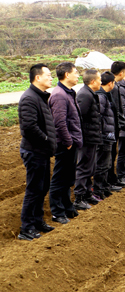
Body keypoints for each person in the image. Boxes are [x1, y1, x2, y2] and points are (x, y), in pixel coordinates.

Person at [17, 64, 57, 240]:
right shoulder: (29, 98)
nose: (51, 78)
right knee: (34, 189)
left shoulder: (40, 97)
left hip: (41, 151)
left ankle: (38, 220)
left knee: (43, 187)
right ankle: (26, 228)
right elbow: (29, 127)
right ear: (37, 78)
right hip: (34, 151)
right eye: (48, 75)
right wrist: (47, 140)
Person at [49, 62, 83, 220]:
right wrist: (69, 142)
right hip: (65, 144)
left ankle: (68, 207)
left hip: (72, 142)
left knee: (69, 177)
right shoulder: (59, 95)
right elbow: (59, 123)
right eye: (75, 72)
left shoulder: (68, 92)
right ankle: (57, 211)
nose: (78, 75)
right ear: (67, 75)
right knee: (60, 178)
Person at [74, 70, 103, 208]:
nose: (101, 82)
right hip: (86, 138)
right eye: (99, 79)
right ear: (93, 82)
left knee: (90, 167)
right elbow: (79, 118)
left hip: (91, 137)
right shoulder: (85, 95)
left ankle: (87, 193)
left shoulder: (90, 93)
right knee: (84, 167)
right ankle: (79, 198)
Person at [95, 72, 122, 197]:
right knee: (102, 165)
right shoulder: (101, 97)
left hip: (109, 135)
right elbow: (99, 119)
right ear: (111, 83)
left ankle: (105, 186)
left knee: (107, 163)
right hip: (104, 136)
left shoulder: (106, 95)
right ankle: (99, 189)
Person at [108, 61, 125, 186]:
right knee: (110, 155)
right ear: (122, 73)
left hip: (113, 126)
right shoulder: (113, 87)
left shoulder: (116, 85)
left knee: (112, 154)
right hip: (111, 127)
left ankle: (111, 178)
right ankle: (109, 180)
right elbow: (116, 108)